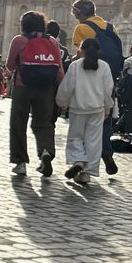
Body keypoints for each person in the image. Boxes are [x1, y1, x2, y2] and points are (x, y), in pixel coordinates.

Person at [6, 11, 65, 176]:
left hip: (22, 86)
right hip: (46, 88)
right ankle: (45, 153)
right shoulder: (52, 41)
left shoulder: (19, 40)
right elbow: (59, 69)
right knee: (43, 123)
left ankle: (20, 162)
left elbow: (10, 66)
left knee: (18, 124)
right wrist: (63, 90)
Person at [71, 0, 122, 176]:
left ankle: (83, 164)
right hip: (108, 77)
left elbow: (81, 54)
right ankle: (106, 152)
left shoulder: (81, 28)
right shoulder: (110, 27)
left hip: (89, 78)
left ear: (79, 13)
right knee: (105, 118)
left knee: (86, 122)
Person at [56, 38, 114, 184]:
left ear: (81, 50)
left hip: (78, 108)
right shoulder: (104, 67)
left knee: (75, 137)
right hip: (97, 108)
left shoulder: (75, 66)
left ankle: (78, 160)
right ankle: (87, 172)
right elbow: (108, 90)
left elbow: (67, 86)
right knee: (93, 141)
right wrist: (108, 107)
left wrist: (62, 102)